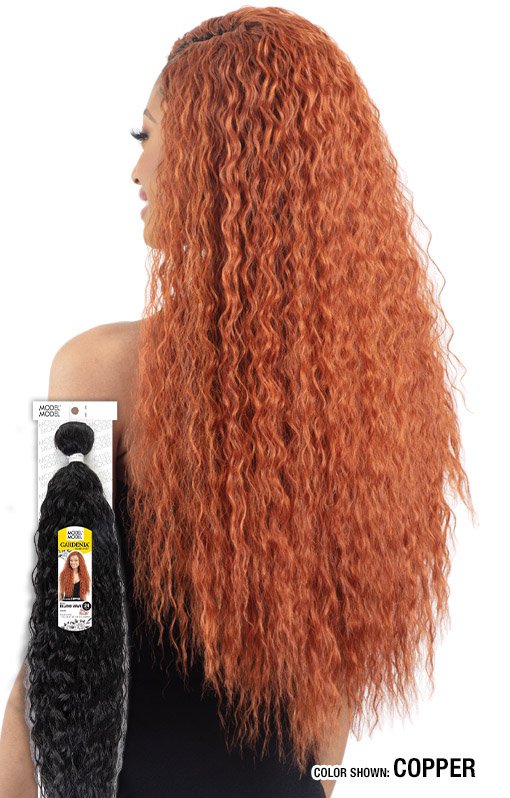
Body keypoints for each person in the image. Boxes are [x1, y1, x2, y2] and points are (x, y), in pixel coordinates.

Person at [0, 7, 474, 798]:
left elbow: (64, 627)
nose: (136, 171)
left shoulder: (93, 373)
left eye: (150, 137)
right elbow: (331, 709)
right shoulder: (382, 403)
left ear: (219, 160)